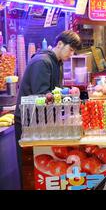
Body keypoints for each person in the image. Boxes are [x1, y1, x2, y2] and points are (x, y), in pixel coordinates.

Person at [14, 31, 81, 186]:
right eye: (70, 50)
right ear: (60, 44)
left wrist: (68, 91)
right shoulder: (42, 62)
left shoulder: (56, 62)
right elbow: (42, 96)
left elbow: (54, 90)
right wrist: (65, 96)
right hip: (28, 122)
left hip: (41, 121)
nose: (71, 54)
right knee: (29, 168)